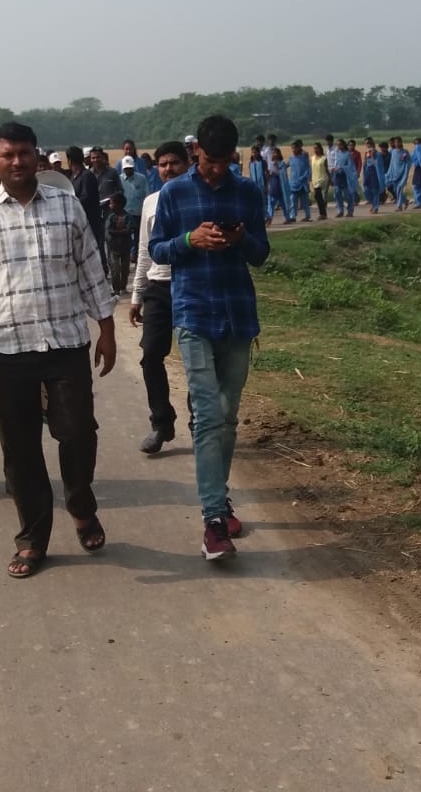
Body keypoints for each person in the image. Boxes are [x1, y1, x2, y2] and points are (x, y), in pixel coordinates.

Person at [0, 121, 116, 579]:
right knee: (20, 450)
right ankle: (33, 537)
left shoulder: (66, 205)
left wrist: (107, 327)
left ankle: (80, 503)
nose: (16, 162)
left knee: (78, 433)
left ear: (37, 157)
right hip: (8, 350)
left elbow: (91, 268)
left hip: (65, 344)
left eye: (23, 154)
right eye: (6, 155)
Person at [149, 115, 270, 559]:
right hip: (194, 314)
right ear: (195, 150)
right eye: (209, 160)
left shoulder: (247, 192)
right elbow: (157, 249)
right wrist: (190, 239)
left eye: (224, 161)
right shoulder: (174, 193)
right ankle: (213, 520)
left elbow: (262, 254)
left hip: (238, 315)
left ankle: (219, 495)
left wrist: (238, 240)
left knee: (228, 413)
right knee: (207, 412)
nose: (216, 169)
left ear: (233, 156)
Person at [132, 140, 190, 454]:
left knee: (197, 358)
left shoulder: (197, 198)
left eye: (174, 163)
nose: (168, 169)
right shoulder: (150, 202)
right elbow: (144, 251)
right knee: (151, 355)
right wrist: (137, 295)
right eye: (163, 164)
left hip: (190, 285)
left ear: (188, 164)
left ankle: (200, 422)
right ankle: (161, 423)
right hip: (158, 288)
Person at [285, 139, 313, 222]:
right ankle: (292, 216)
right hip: (293, 182)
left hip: (302, 182)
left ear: (298, 148)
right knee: (293, 200)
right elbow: (285, 166)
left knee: (304, 200)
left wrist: (306, 177)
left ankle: (307, 216)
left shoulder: (304, 157)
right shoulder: (291, 158)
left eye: (295, 148)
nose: (293, 150)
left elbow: (308, 168)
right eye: (292, 148)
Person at [310, 140, 330, 220]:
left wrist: (330, 179)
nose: (315, 150)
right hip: (315, 178)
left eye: (316, 148)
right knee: (318, 197)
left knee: (319, 196)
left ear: (320, 149)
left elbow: (326, 169)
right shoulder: (312, 158)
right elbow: (312, 169)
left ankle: (322, 214)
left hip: (323, 179)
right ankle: (323, 213)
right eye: (314, 148)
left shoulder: (324, 158)